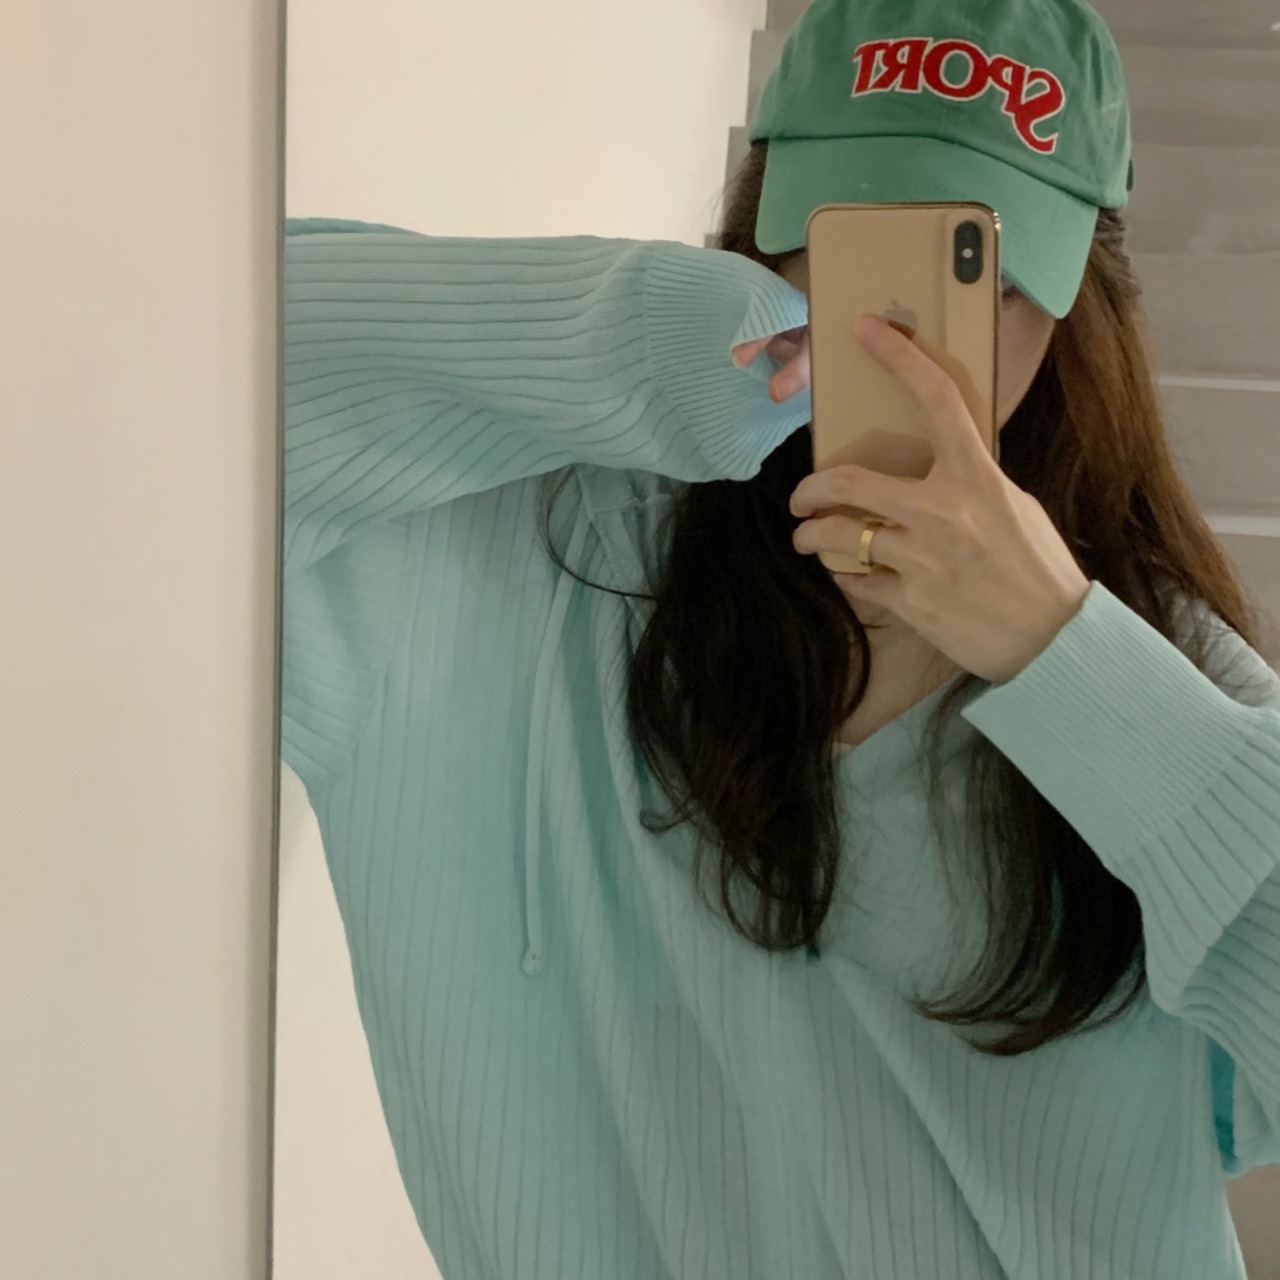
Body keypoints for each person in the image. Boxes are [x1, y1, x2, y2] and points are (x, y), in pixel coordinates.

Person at [281, 0, 1280, 1275]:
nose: (907, 339)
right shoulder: (532, 572)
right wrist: (649, 349)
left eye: (982, 272)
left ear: (1078, 297)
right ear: (763, 228)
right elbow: (185, 350)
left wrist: (1059, 650)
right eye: (852, 249)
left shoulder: (1163, 676)